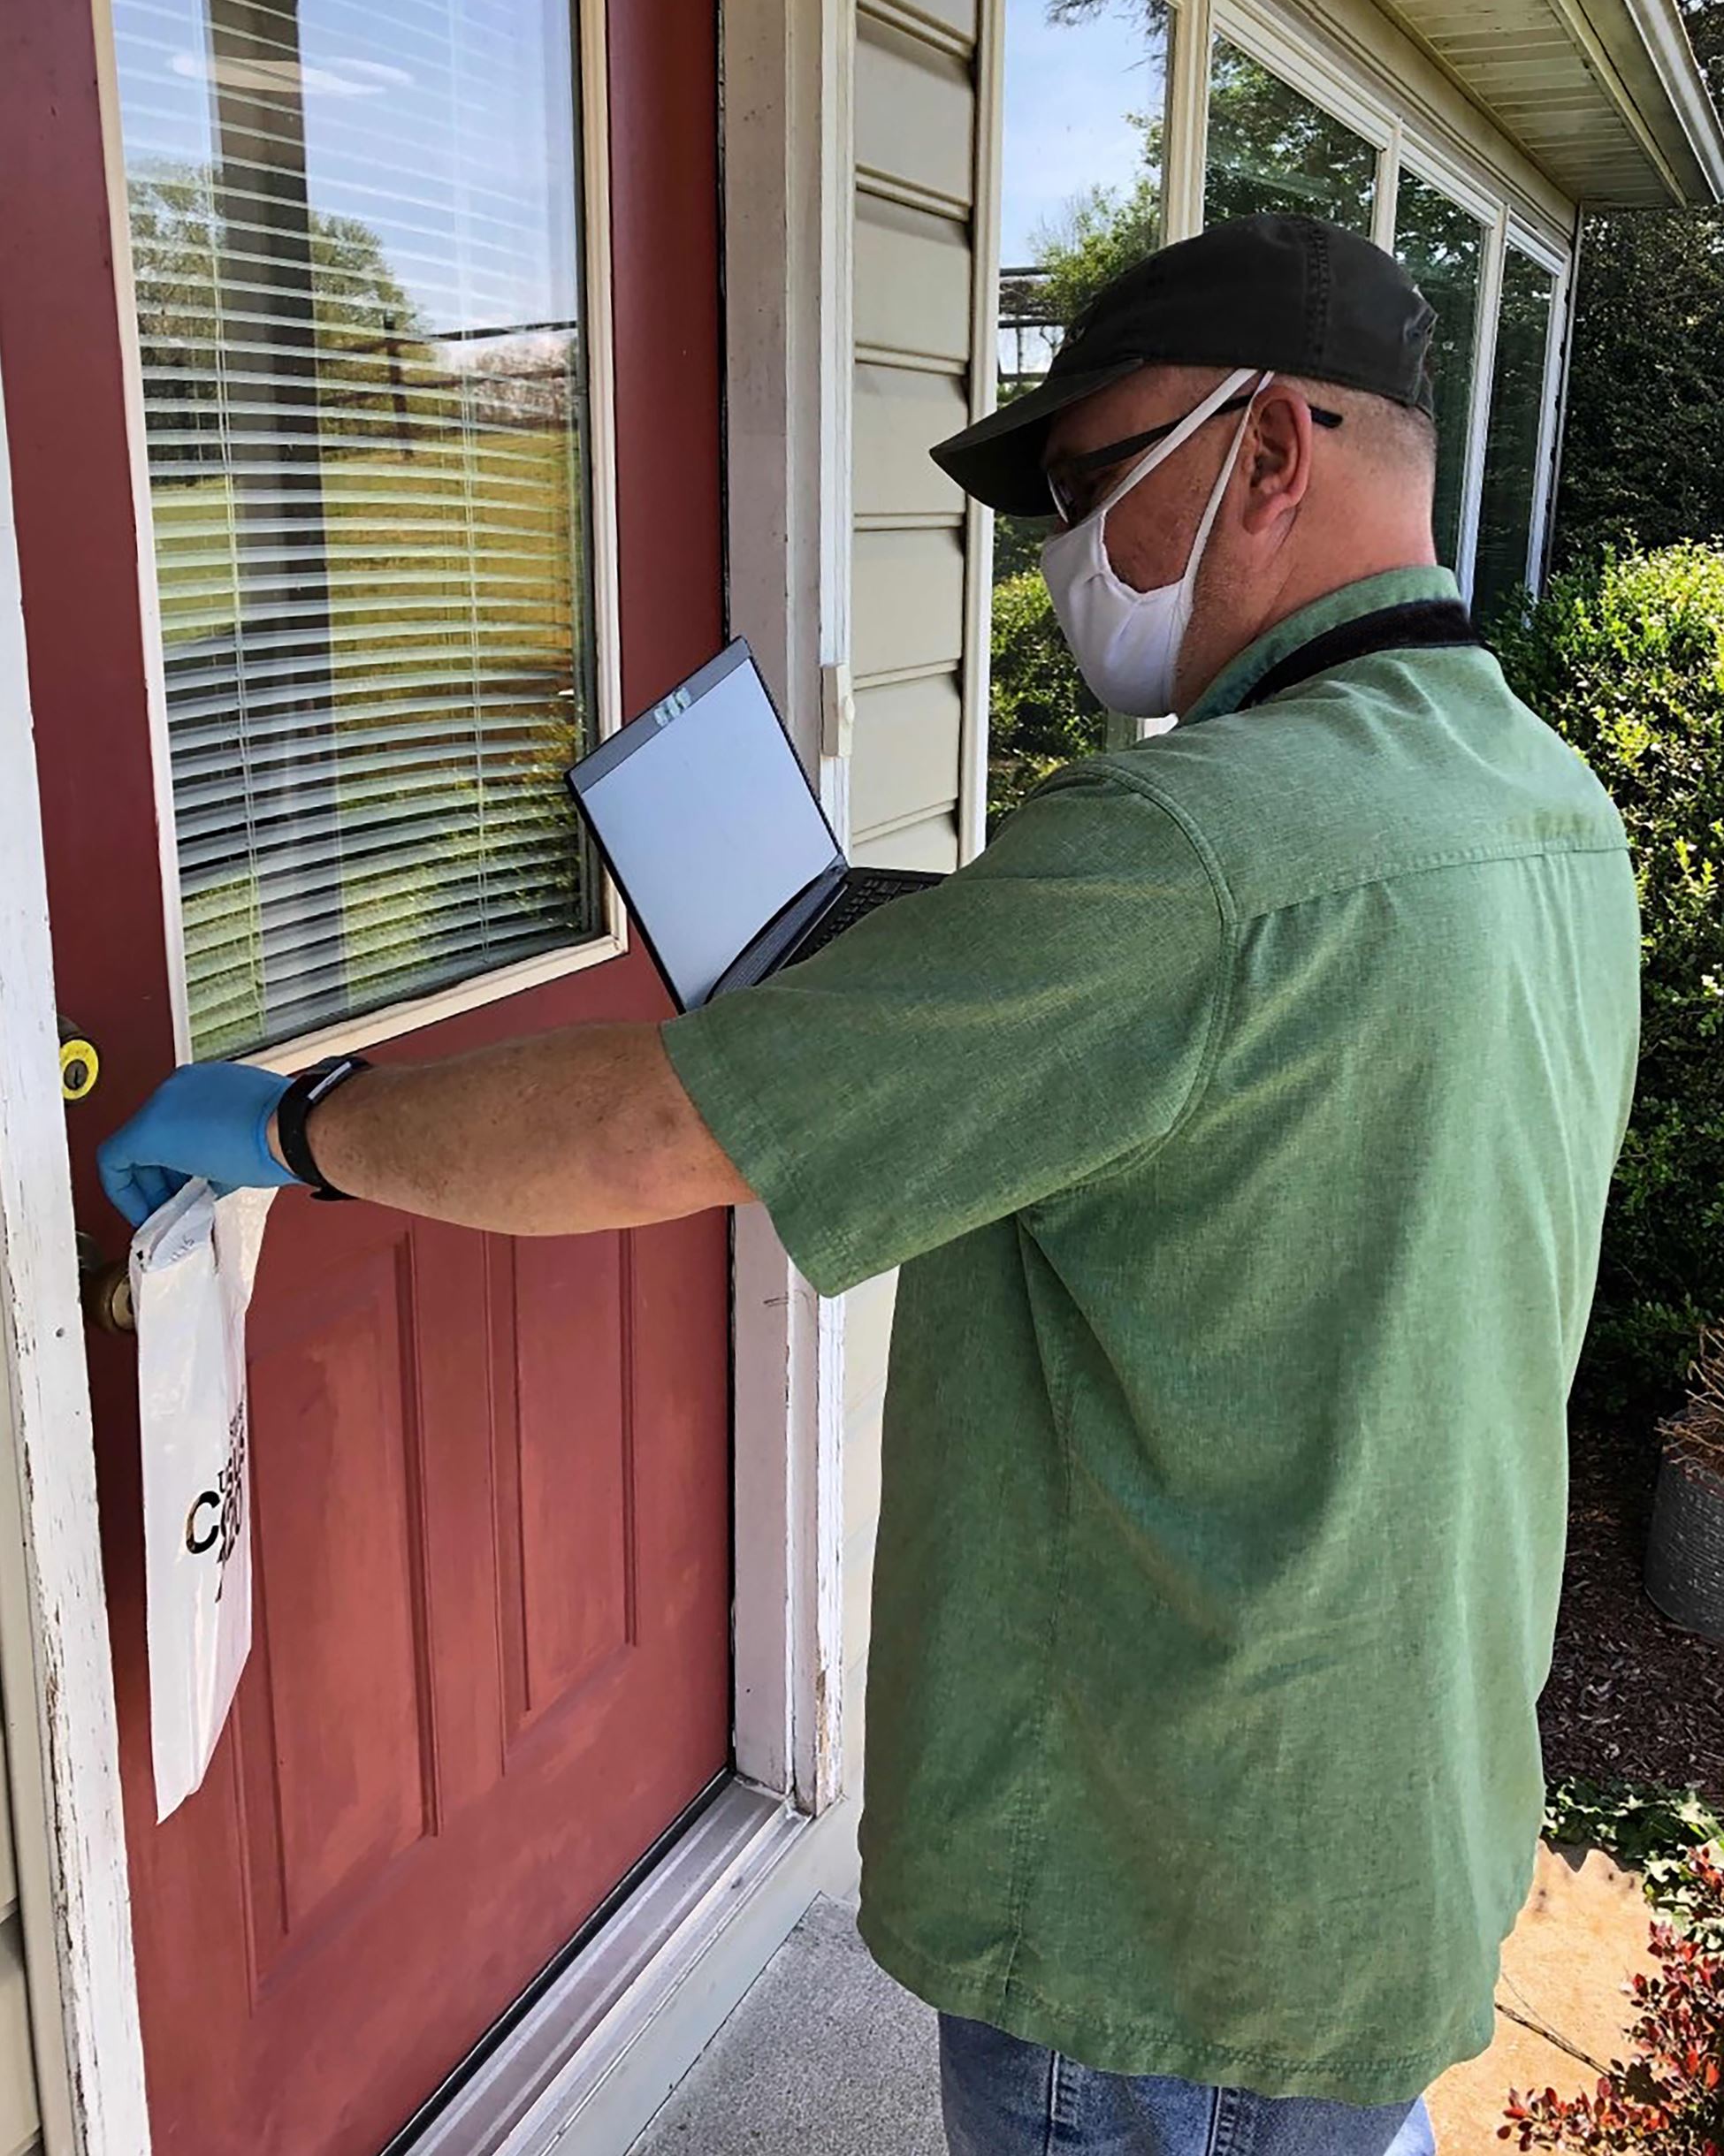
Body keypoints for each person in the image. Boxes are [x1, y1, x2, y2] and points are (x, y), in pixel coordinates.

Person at [101, 215, 1640, 2156]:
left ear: (1270, 455)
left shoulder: (1191, 845)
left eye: (1089, 483)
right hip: (1378, 1827)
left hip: (1145, 1898)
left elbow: (663, 1133)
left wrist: (297, 1124)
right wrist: (945, 987)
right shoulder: (1544, 811)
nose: (1060, 548)